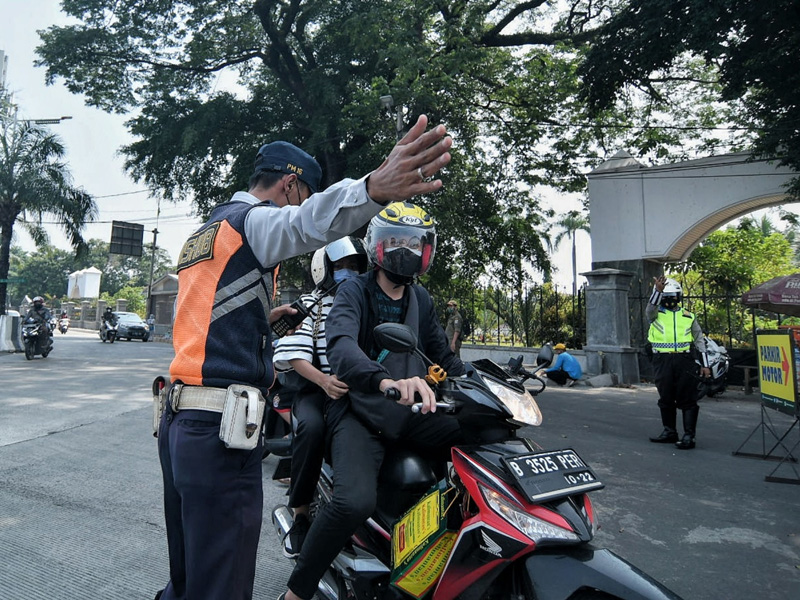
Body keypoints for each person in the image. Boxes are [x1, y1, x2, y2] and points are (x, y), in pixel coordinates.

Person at [155, 115, 452, 600]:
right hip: (218, 432)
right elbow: (305, 223)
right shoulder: (252, 221)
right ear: (290, 184)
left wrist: (266, 317)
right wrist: (373, 188)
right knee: (221, 587)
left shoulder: (206, 233)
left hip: (180, 420)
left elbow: (200, 316)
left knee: (188, 578)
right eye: (304, 193)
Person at [280, 202, 466, 600]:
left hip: (409, 410)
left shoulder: (421, 299)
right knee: (353, 502)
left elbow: (444, 356)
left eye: (415, 244)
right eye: (396, 241)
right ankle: (296, 592)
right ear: (377, 246)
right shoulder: (354, 290)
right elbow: (343, 347)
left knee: (478, 430)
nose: (406, 251)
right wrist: (384, 383)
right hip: (360, 411)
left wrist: (484, 380)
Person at [273, 236, 368, 558]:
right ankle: (300, 514)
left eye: (354, 266)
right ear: (324, 269)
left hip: (361, 391)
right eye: (341, 266)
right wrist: (324, 380)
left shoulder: (368, 300)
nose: (349, 273)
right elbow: (293, 354)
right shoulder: (310, 303)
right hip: (316, 390)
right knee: (312, 429)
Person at [646, 276, 710, 450]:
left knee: (688, 398)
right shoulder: (655, 314)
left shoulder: (688, 316)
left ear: (679, 296)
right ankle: (669, 432)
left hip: (684, 360)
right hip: (662, 360)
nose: (669, 300)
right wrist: (658, 291)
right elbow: (650, 309)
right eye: (665, 297)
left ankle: (689, 436)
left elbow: (699, 341)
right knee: (665, 397)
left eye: (672, 296)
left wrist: (705, 365)